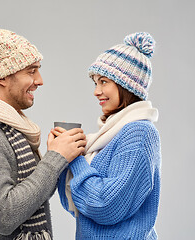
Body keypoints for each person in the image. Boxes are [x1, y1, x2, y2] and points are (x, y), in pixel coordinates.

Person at [0, 11, 86, 240]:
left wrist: (57, 157)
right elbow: (5, 216)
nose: (40, 80)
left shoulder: (11, 126)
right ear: (2, 77)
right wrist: (54, 160)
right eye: (31, 71)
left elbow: (31, 198)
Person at [54, 32, 162, 239]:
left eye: (103, 82)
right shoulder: (108, 135)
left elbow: (106, 205)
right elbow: (78, 204)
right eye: (95, 83)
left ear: (126, 85)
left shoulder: (139, 133)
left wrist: (75, 159)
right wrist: (60, 155)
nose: (96, 91)